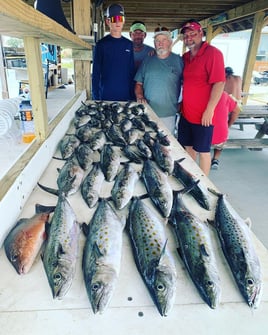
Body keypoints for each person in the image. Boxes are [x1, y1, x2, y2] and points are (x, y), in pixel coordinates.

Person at [177, 19, 225, 176]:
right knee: (188, 148)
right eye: (186, 35)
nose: (189, 37)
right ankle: (191, 177)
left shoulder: (213, 53)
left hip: (203, 115)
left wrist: (210, 109)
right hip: (186, 113)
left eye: (193, 33)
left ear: (201, 34)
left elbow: (219, 83)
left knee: (203, 151)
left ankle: (203, 183)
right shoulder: (185, 57)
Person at [134, 27, 183, 134]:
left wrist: (183, 104)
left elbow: (188, 84)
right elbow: (138, 84)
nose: (160, 43)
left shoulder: (179, 60)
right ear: (154, 44)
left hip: (169, 114)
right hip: (147, 112)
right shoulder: (147, 60)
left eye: (163, 40)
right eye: (157, 41)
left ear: (170, 42)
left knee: (167, 146)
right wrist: (140, 96)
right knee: (147, 144)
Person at [91, 3, 135, 101]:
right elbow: (96, 73)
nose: (118, 22)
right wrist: (96, 97)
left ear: (124, 21)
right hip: (105, 96)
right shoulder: (101, 45)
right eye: (114, 19)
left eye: (121, 19)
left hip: (125, 97)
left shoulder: (129, 45)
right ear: (107, 21)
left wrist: (133, 96)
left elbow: (131, 72)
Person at [211, 91, 241, 170]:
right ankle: (215, 159)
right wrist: (228, 125)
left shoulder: (199, 93)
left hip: (203, 132)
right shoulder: (224, 95)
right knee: (220, 141)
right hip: (221, 133)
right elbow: (237, 110)